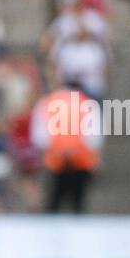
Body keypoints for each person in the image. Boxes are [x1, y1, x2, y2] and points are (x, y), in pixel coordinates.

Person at [31, 81, 102, 213]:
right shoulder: (88, 104)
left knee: (53, 204)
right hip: (81, 160)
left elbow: (40, 138)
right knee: (78, 204)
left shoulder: (47, 103)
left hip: (55, 160)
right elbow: (94, 138)